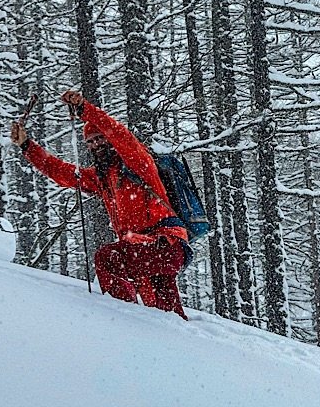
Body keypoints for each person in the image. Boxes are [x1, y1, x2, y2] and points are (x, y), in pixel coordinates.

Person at [10, 90, 189, 319]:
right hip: (149, 250)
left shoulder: (138, 162)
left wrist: (84, 109)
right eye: (91, 142)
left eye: (100, 138)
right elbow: (61, 172)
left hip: (164, 244)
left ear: (109, 139)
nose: (96, 145)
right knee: (164, 312)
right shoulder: (101, 178)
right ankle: (175, 334)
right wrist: (27, 146)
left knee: (107, 258)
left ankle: (124, 320)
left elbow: (121, 135)